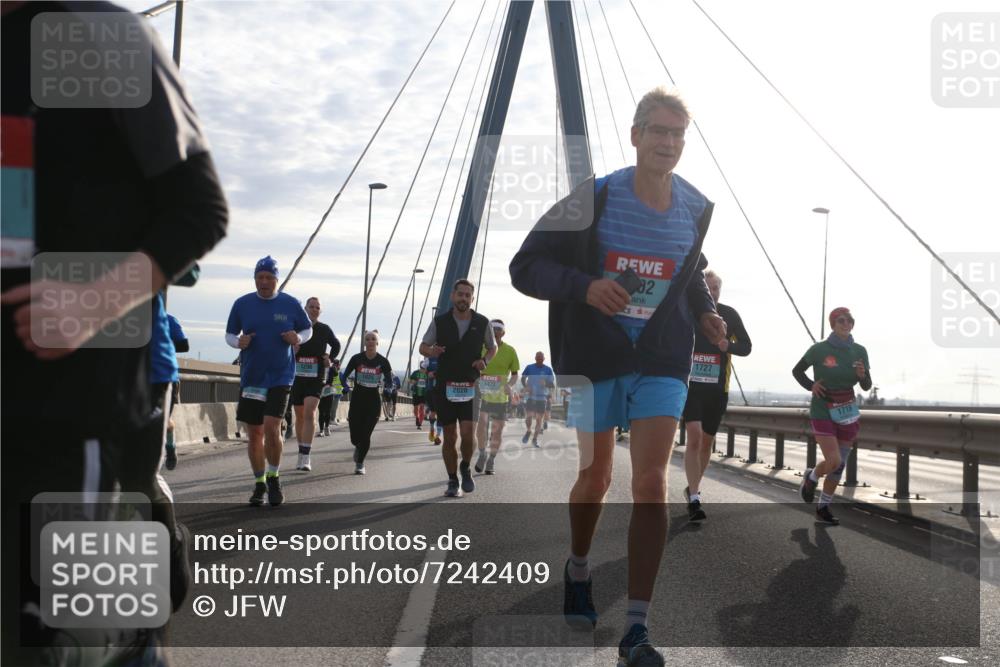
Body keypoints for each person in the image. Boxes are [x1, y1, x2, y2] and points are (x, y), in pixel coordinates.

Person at [1, 3, 228, 663]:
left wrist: (92, 301)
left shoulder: (107, 37)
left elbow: (199, 210)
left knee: (76, 643)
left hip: (72, 420)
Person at [510, 87, 726, 666]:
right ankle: (578, 567)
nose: (668, 142)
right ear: (635, 136)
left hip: (661, 360)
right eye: (657, 131)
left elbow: (689, 271)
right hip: (594, 356)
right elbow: (524, 266)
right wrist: (585, 287)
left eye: (678, 134)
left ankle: (636, 628)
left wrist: (704, 311)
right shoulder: (596, 197)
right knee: (596, 474)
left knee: (652, 482)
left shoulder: (696, 207)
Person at [226, 256, 312, 506]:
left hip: (281, 375)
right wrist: (237, 342)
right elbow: (230, 334)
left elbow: (307, 330)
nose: (264, 282)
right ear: (255, 279)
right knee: (254, 433)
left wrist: (298, 338)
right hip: (252, 376)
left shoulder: (290, 303)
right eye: (260, 277)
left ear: (277, 280)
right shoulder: (242, 304)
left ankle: (274, 476)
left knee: (272, 425)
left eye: (269, 278)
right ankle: (259, 483)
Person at [681, 269, 752, 521]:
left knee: (706, 443)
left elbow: (747, 346)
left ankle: (693, 488)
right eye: (709, 288)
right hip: (690, 387)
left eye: (716, 288)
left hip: (717, 389)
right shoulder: (688, 312)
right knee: (695, 437)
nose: (713, 292)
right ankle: (695, 498)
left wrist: (728, 346)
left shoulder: (729, 315)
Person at [792, 307, 871, 525]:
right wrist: (811, 385)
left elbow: (866, 385)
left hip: (847, 410)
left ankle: (823, 506)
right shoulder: (819, 350)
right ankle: (812, 477)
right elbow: (797, 371)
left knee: (839, 465)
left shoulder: (860, 351)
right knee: (833, 460)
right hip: (822, 410)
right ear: (833, 324)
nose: (847, 324)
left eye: (850, 321)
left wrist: (862, 376)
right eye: (842, 321)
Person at [419, 279, 496, 497]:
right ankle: (453, 480)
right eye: (460, 294)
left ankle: (466, 466)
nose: (463, 298)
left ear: (472, 298)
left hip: (471, 384)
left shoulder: (482, 322)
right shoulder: (440, 322)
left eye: (467, 295)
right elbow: (423, 346)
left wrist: (485, 361)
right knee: (450, 435)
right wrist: (431, 351)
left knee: (468, 433)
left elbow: (493, 347)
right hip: (446, 385)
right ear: (453, 296)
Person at [291, 297, 340, 471]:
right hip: (297, 376)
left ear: (320, 311)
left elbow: (336, 345)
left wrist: (330, 358)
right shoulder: (296, 326)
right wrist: (291, 350)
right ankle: (300, 450)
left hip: (315, 375)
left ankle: (306, 456)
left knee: (310, 412)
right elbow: (282, 344)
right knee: (300, 415)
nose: (314, 309)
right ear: (305, 308)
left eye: (317, 307)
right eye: (311, 306)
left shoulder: (324, 329)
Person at [342, 330, 393, 474]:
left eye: (373, 339)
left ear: (377, 343)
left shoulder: (383, 361)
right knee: (355, 437)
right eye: (367, 339)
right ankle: (357, 446)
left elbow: (389, 381)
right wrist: (345, 386)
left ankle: (360, 463)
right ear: (364, 342)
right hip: (357, 399)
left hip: (373, 401)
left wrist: (388, 389)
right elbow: (343, 375)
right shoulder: (356, 359)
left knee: (366, 435)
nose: (370, 341)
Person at [475, 319, 520, 474]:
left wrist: (510, 385)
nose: (495, 331)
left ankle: (491, 460)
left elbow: (514, 375)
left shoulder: (510, 351)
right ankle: (482, 453)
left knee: (497, 431)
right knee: (481, 425)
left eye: (498, 329)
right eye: (492, 328)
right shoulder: (479, 347)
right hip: (482, 394)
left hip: (500, 397)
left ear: (503, 332)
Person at [163, 308, 190, 470]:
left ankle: (170, 446)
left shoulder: (169, 320)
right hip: (134, 378)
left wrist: (158, 342)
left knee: (164, 421)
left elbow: (184, 345)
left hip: (165, 378)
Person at [521, 351, 555, 447]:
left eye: (541, 358)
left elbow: (552, 385)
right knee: (529, 416)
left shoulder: (548, 370)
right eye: (538, 358)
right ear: (535, 358)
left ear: (544, 359)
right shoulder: (529, 367)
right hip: (531, 397)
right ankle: (528, 431)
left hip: (542, 398)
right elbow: (523, 378)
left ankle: (534, 439)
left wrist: (546, 383)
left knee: (539, 420)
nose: (539, 360)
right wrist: (526, 386)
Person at [318, 358, 342, 436]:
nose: (326, 361)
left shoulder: (332, 369)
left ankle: (327, 427)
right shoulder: (320, 367)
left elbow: (336, 373)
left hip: (329, 391)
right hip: (320, 391)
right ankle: (321, 430)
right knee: (321, 411)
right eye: (324, 359)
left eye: (328, 359)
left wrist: (333, 366)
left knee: (328, 411)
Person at [410, 360, 430, 429]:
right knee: (416, 409)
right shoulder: (415, 373)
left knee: (422, 407)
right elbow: (410, 380)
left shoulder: (427, 374)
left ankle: (419, 423)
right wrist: (414, 381)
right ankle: (417, 417)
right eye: (423, 367)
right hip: (416, 393)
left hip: (424, 393)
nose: (424, 368)